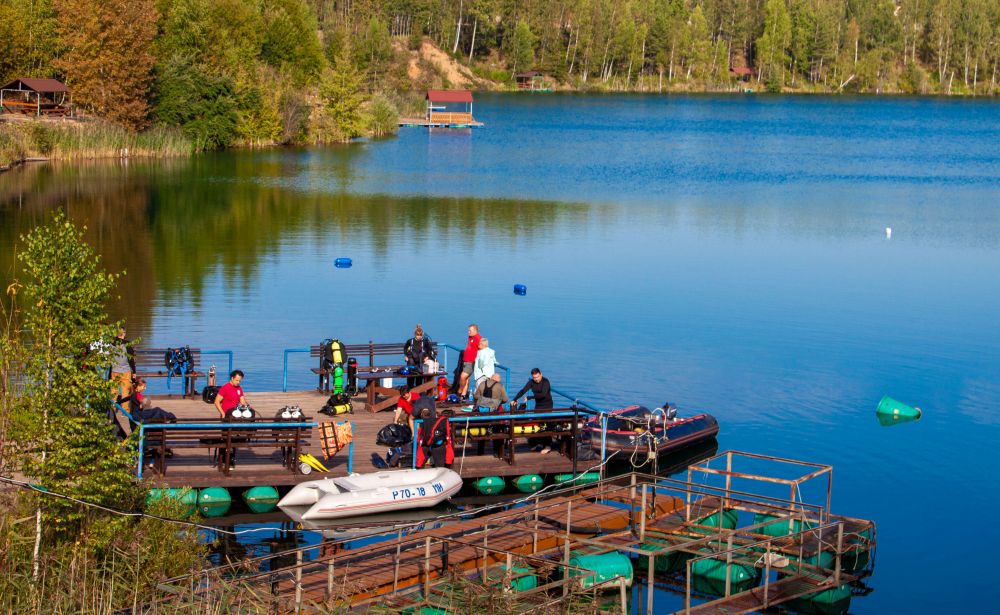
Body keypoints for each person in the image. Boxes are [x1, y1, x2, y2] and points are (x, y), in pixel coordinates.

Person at [109, 327, 136, 412]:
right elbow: (131, 359)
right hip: (126, 371)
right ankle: (125, 410)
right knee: (125, 391)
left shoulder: (112, 344)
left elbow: (109, 357)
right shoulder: (127, 344)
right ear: (124, 333)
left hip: (114, 370)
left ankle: (112, 409)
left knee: (114, 391)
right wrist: (134, 371)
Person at [404, 324, 436, 388]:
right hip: (412, 361)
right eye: (417, 335)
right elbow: (405, 348)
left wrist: (428, 357)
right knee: (411, 375)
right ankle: (410, 388)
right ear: (415, 334)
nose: (419, 337)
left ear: (422, 335)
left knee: (419, 376)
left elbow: (430, 350)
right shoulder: (410, 341)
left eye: (420, 335)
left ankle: (419, 390)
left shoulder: (424, 342)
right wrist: (406, 356)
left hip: (420, 361)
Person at [458, 324, 481, 398]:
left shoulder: (478, 338)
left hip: (471, 361)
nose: (468, 332)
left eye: (470, 330)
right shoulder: (471, 337)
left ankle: (460, 391)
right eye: (468, 330)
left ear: (475, 330)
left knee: (463, 376)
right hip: (466, 360)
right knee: (467, 379)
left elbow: (481, 349)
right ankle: (463, 395)